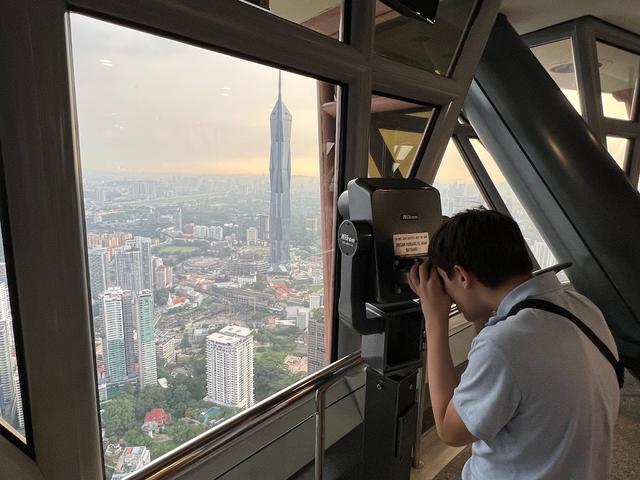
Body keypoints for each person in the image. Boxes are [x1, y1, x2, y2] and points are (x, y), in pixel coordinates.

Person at [408, 209, 620, 480]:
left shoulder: (505, 346)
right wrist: (481, 311)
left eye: (444, 282)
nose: (445, 295)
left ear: (461, 275)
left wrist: (435, 320)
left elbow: (450, 431)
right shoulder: (581, 307)